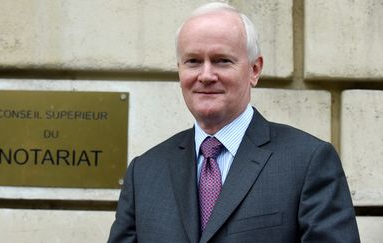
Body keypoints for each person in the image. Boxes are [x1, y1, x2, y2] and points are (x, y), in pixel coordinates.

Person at [108, 2, 360, 243]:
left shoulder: (308, 162)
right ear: (179, 70)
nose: (206, 75)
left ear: (254, 70)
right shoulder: (144, 172)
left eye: (222, 60)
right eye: (193, 61)